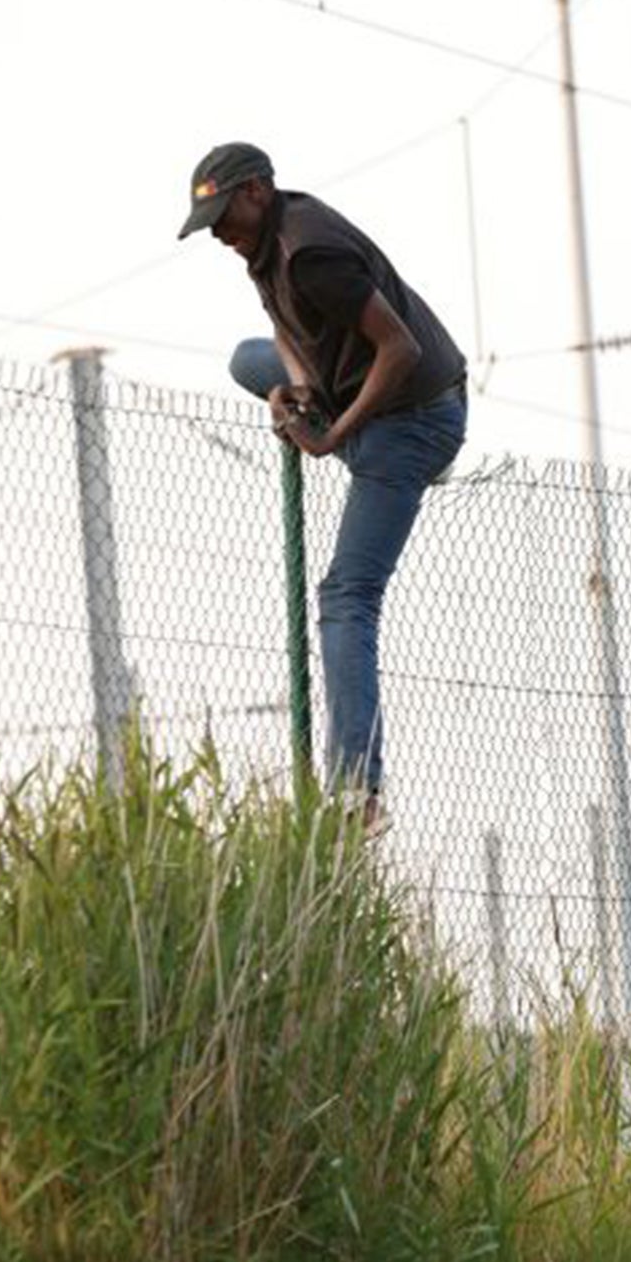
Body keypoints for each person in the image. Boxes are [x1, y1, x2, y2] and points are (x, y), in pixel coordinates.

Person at [179, 142, 468, 823]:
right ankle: (364, 446)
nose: (220, 234)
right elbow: (282, 333)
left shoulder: (311, 254)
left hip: (415, 413)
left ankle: (356, 789)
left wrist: (332, 437)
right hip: (354, 391)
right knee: (245, 360)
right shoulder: (263, 247)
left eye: (224, 215)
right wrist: (294, 392)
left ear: (256, 191)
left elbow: (401, 348)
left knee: (347, 595)